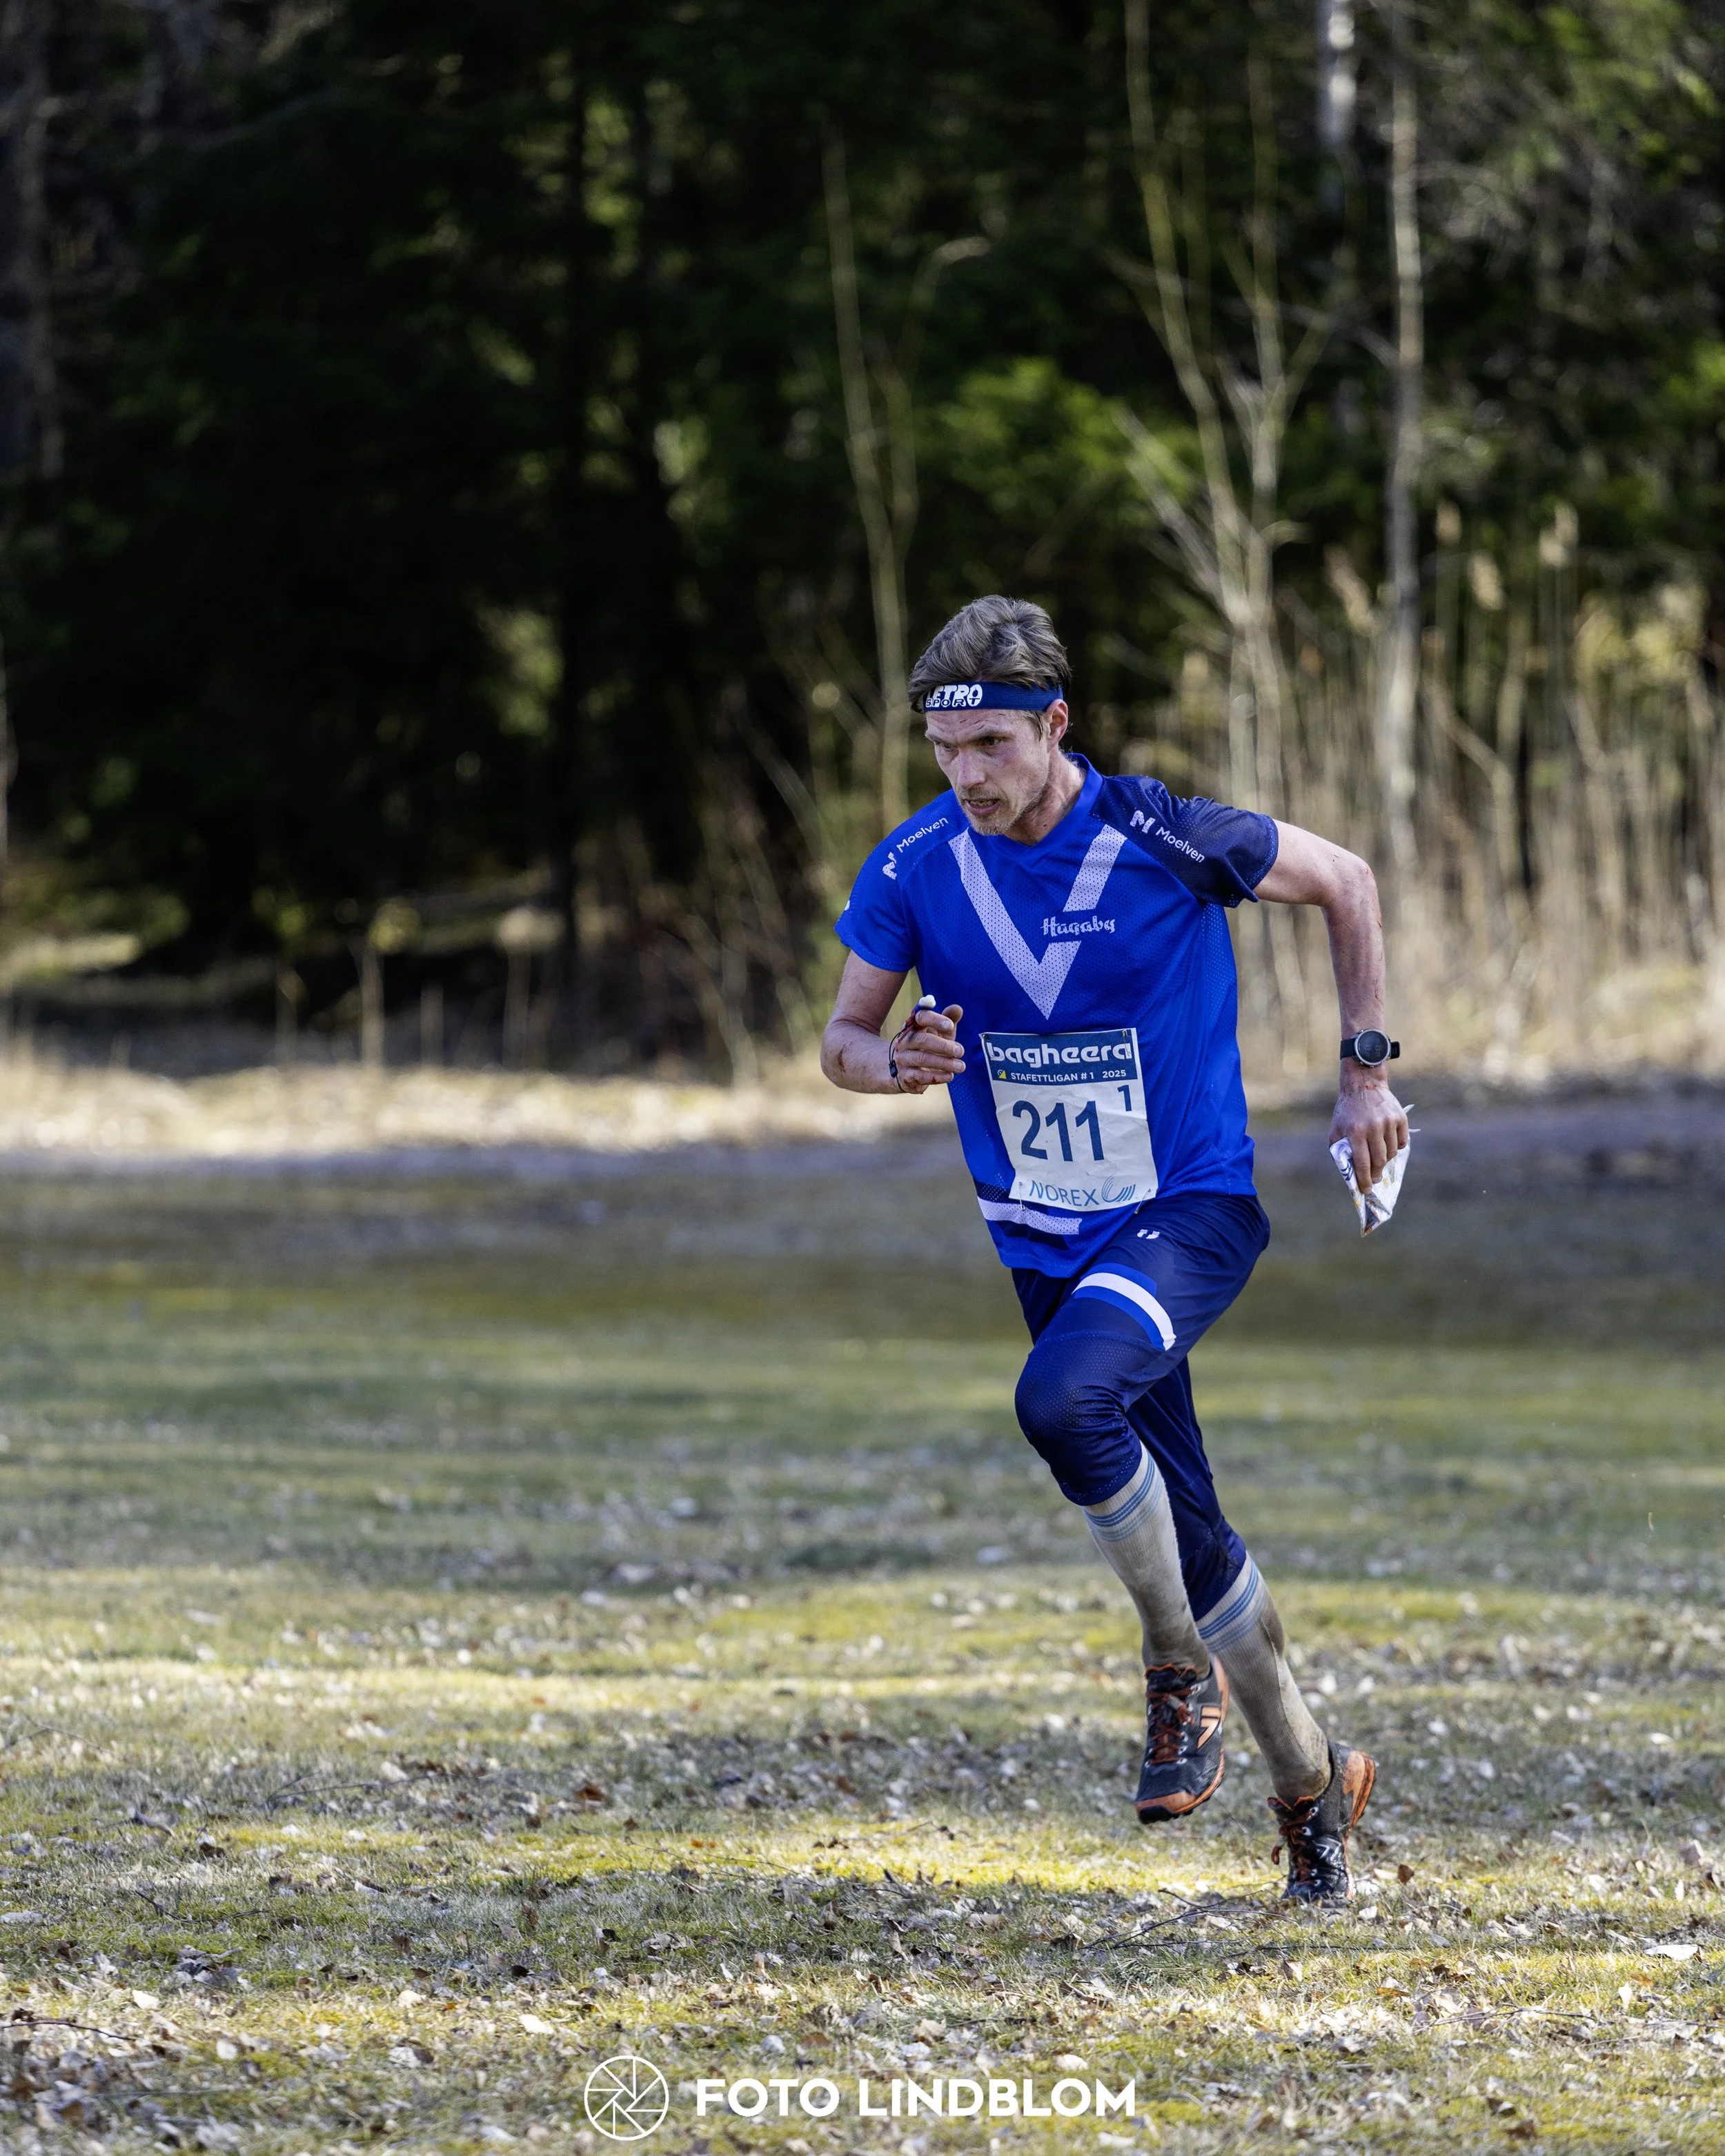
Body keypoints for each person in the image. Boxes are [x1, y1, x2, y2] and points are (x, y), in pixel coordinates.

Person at [820, 595, 1408, 1903]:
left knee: (1062, 1401)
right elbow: (841, 1042)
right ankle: (1315, 1786)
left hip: (1189, 1209)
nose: (967, 774)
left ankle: (1174, 1669)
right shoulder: (916, 866)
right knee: (1190, 1532)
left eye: (991, 745)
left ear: (1055, 725)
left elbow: (1348, 882)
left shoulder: (1161, 833)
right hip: (1044, 1242)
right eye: (944, 750)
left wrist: (1364, 1075)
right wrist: (894, 1063)